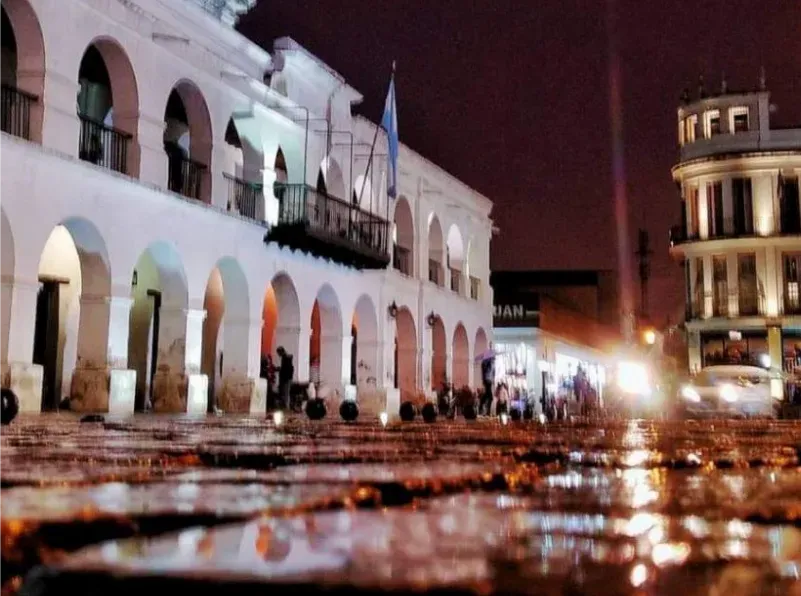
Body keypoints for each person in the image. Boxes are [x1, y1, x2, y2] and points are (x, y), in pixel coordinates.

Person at [480, 344, 495, 415]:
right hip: (487, 380)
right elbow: (484, 371)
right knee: (490, 396)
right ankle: (484, 408)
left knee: (488, 395)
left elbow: (493, 372)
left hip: (489, 380)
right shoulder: (486, 363)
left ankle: (484, 408)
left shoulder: (491, 363)